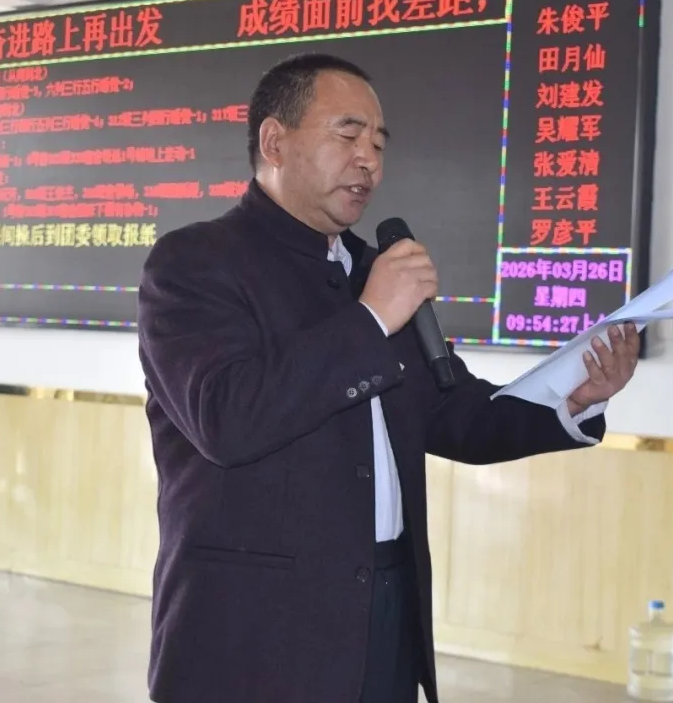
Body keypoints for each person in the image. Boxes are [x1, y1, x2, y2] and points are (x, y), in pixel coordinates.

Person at [137, 52, 640, 703]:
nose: (368, 160)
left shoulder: (371, 270)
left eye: (378, 143)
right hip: (255, 628)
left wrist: (572, 400)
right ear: (275, 142)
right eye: (348, 134)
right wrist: (372, 317)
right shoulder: (195, 262)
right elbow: (226, 419)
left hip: (384, 606)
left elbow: (450, 410)